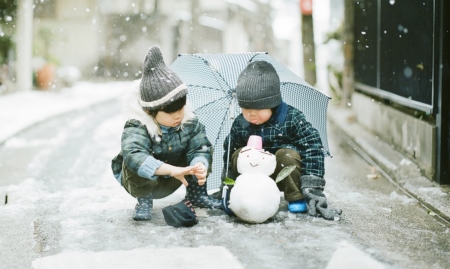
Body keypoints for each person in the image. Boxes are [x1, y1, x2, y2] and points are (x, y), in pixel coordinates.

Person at [111, 45, 221, 221]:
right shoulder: (138, 125)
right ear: (150, 112)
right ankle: (144, 200)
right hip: (144, 181)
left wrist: (199, 164)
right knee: (134, 161)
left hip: (179, 176)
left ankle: (196, 194)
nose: (178, 115)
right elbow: (134, 154)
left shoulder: (189, 122)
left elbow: (200, 146)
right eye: (170, 112)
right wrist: (171, 170)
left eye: (180, 108)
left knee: (203, 148)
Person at [223, 60, 341, 220]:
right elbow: (229, 156)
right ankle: (245, 197)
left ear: (272, 104)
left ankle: (295, 196)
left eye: (257, 109)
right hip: (252, 182)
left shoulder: (292, 118)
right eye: (245, 109)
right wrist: (228, 187)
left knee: (287, 155)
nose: (251, 114)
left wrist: (312, 188)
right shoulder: (240, 123)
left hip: (282, 177)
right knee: (238, 154)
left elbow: (312, 147)